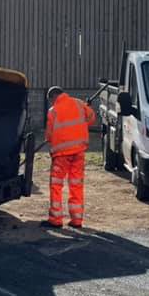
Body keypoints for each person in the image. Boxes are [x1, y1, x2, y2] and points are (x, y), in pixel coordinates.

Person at [44, 86, 96, 228]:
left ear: (53, 97)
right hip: (79, 152)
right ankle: (77, 220)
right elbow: (91, 119)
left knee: (56, 186)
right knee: (76, 185)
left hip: (61, 155)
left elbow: (49, 136)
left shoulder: (53, 111)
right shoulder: (79, 103)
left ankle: (55, 219)